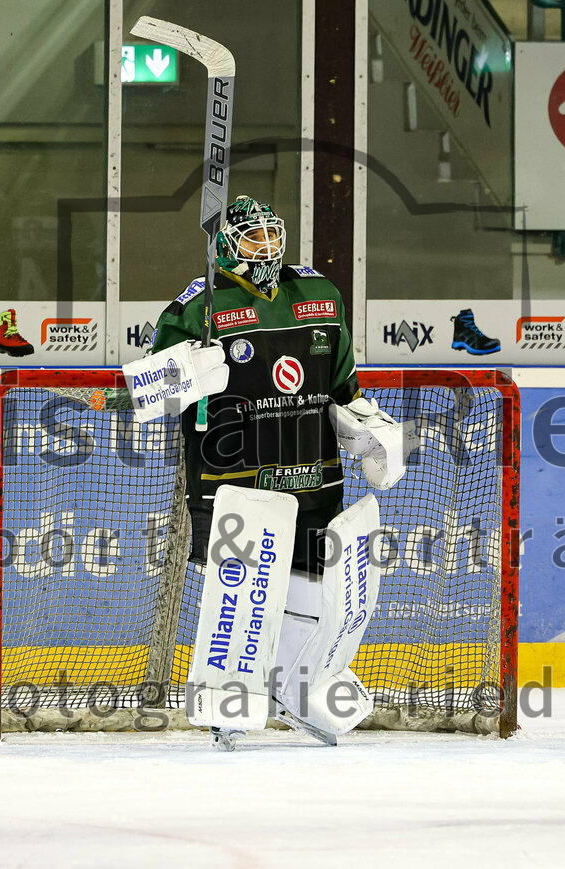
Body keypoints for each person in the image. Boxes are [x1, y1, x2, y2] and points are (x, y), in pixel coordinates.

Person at [123, 196, 413, 746]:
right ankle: (227, 696)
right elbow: (147, 393)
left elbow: (344, 387)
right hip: (232, 481)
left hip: (314, 475)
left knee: (314, 588)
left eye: (272, 234)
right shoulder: (198, 306)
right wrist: (185, 371)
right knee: (241, 592)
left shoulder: (319, 294)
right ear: (227, 243)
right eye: (253, 236)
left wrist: (368, 429)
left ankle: (299, 687)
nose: (267, 246)